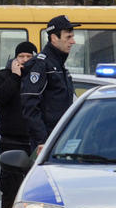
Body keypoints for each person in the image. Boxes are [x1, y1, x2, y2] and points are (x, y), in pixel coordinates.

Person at [0, 41, 38, 208]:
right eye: (21, 57)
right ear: (15, 59)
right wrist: (14, 77)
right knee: (10, 187)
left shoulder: (38, 78)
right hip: (11, 141)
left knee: (34, 189)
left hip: (35, 141)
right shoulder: (2, 77)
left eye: (29, 57)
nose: (25, 60)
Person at [21, 15, 79, 153]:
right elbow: (30, 106)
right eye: (68, 37)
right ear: (54, 38)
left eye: (72, 37)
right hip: (47, 145)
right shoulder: (41, 65)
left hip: (61, 140)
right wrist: (44, 141)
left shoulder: (58, 65)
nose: (73, 41)